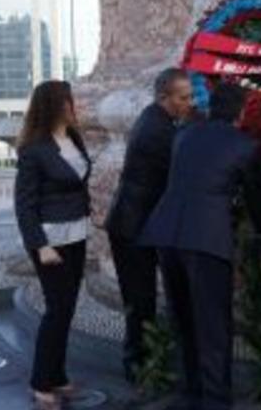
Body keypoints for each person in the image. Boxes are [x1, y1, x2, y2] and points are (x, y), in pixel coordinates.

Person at [139, 83, 261, 410]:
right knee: (212, 325)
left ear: (210, 106)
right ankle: (215, 401)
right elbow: (256, 198)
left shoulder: (185, 135)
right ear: (240, 111)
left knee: (183, 318)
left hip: (167, 233)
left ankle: (189, 392)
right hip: (206, 239)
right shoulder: (244, 145)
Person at [103, 68, 193, 383]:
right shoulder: (159, 131)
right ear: (163, 97)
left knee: (144, 300)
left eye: (190, 96)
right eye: (183, 98)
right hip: (131, 228)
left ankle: (147, 360)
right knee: (140, 301)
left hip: (138, 224)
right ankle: (137, 367)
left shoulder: (158, 119)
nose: (189, 103)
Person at [14, 80, 92, 410]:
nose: (76, 106)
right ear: (58, 105)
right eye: (71, 101)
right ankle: (40, 382)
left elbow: (77, 183)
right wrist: (40, 244)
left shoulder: (72, 139)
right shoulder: (34, 149)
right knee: (57, 310)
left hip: (76, 234)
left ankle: (57, 375)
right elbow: (24, 203)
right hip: (50, 241)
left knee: (67, 309)